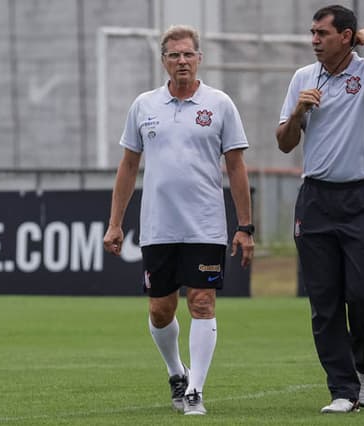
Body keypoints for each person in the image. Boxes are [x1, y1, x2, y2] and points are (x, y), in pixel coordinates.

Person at [103, 25, 254, 416]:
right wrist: (115, 223)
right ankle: (176, 372)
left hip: (205, 225)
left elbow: (236, 168)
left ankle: (195, 391)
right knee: (160, 310)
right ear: (164, 61)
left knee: (202, 303)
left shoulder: (219, 104)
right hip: (158, 227)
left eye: (188, 54)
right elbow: (128, 166)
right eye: (174, 55)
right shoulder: (144, 105)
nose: (182, 61)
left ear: (199, 58)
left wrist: (245, 226)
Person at [275, 5, 364, 414]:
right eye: (312, 33)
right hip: (315, 200)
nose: (314, 40)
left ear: (346, 37)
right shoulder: (302, 79)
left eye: (322, 34)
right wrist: (298, 112)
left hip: (363, 198)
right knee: (324, 301)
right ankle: (342, 389)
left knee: (363, 294)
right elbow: (283, 142)